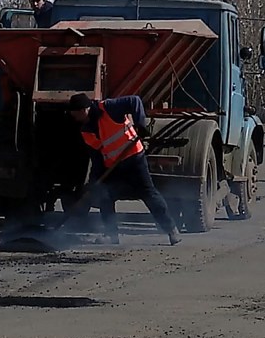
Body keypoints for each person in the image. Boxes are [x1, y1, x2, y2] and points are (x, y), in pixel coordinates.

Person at [67, 93, 181, 246]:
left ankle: (171, 230)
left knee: (148, 193)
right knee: (104, 195)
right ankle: (111, 235)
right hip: (114, 167)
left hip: (134, 158)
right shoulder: (86, 130)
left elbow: (135, 100)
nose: (74, 118)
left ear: (84, 110)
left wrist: (141, 125)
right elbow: (97, 158)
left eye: (75, 114)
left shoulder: (108, 108)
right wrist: (95, 182)